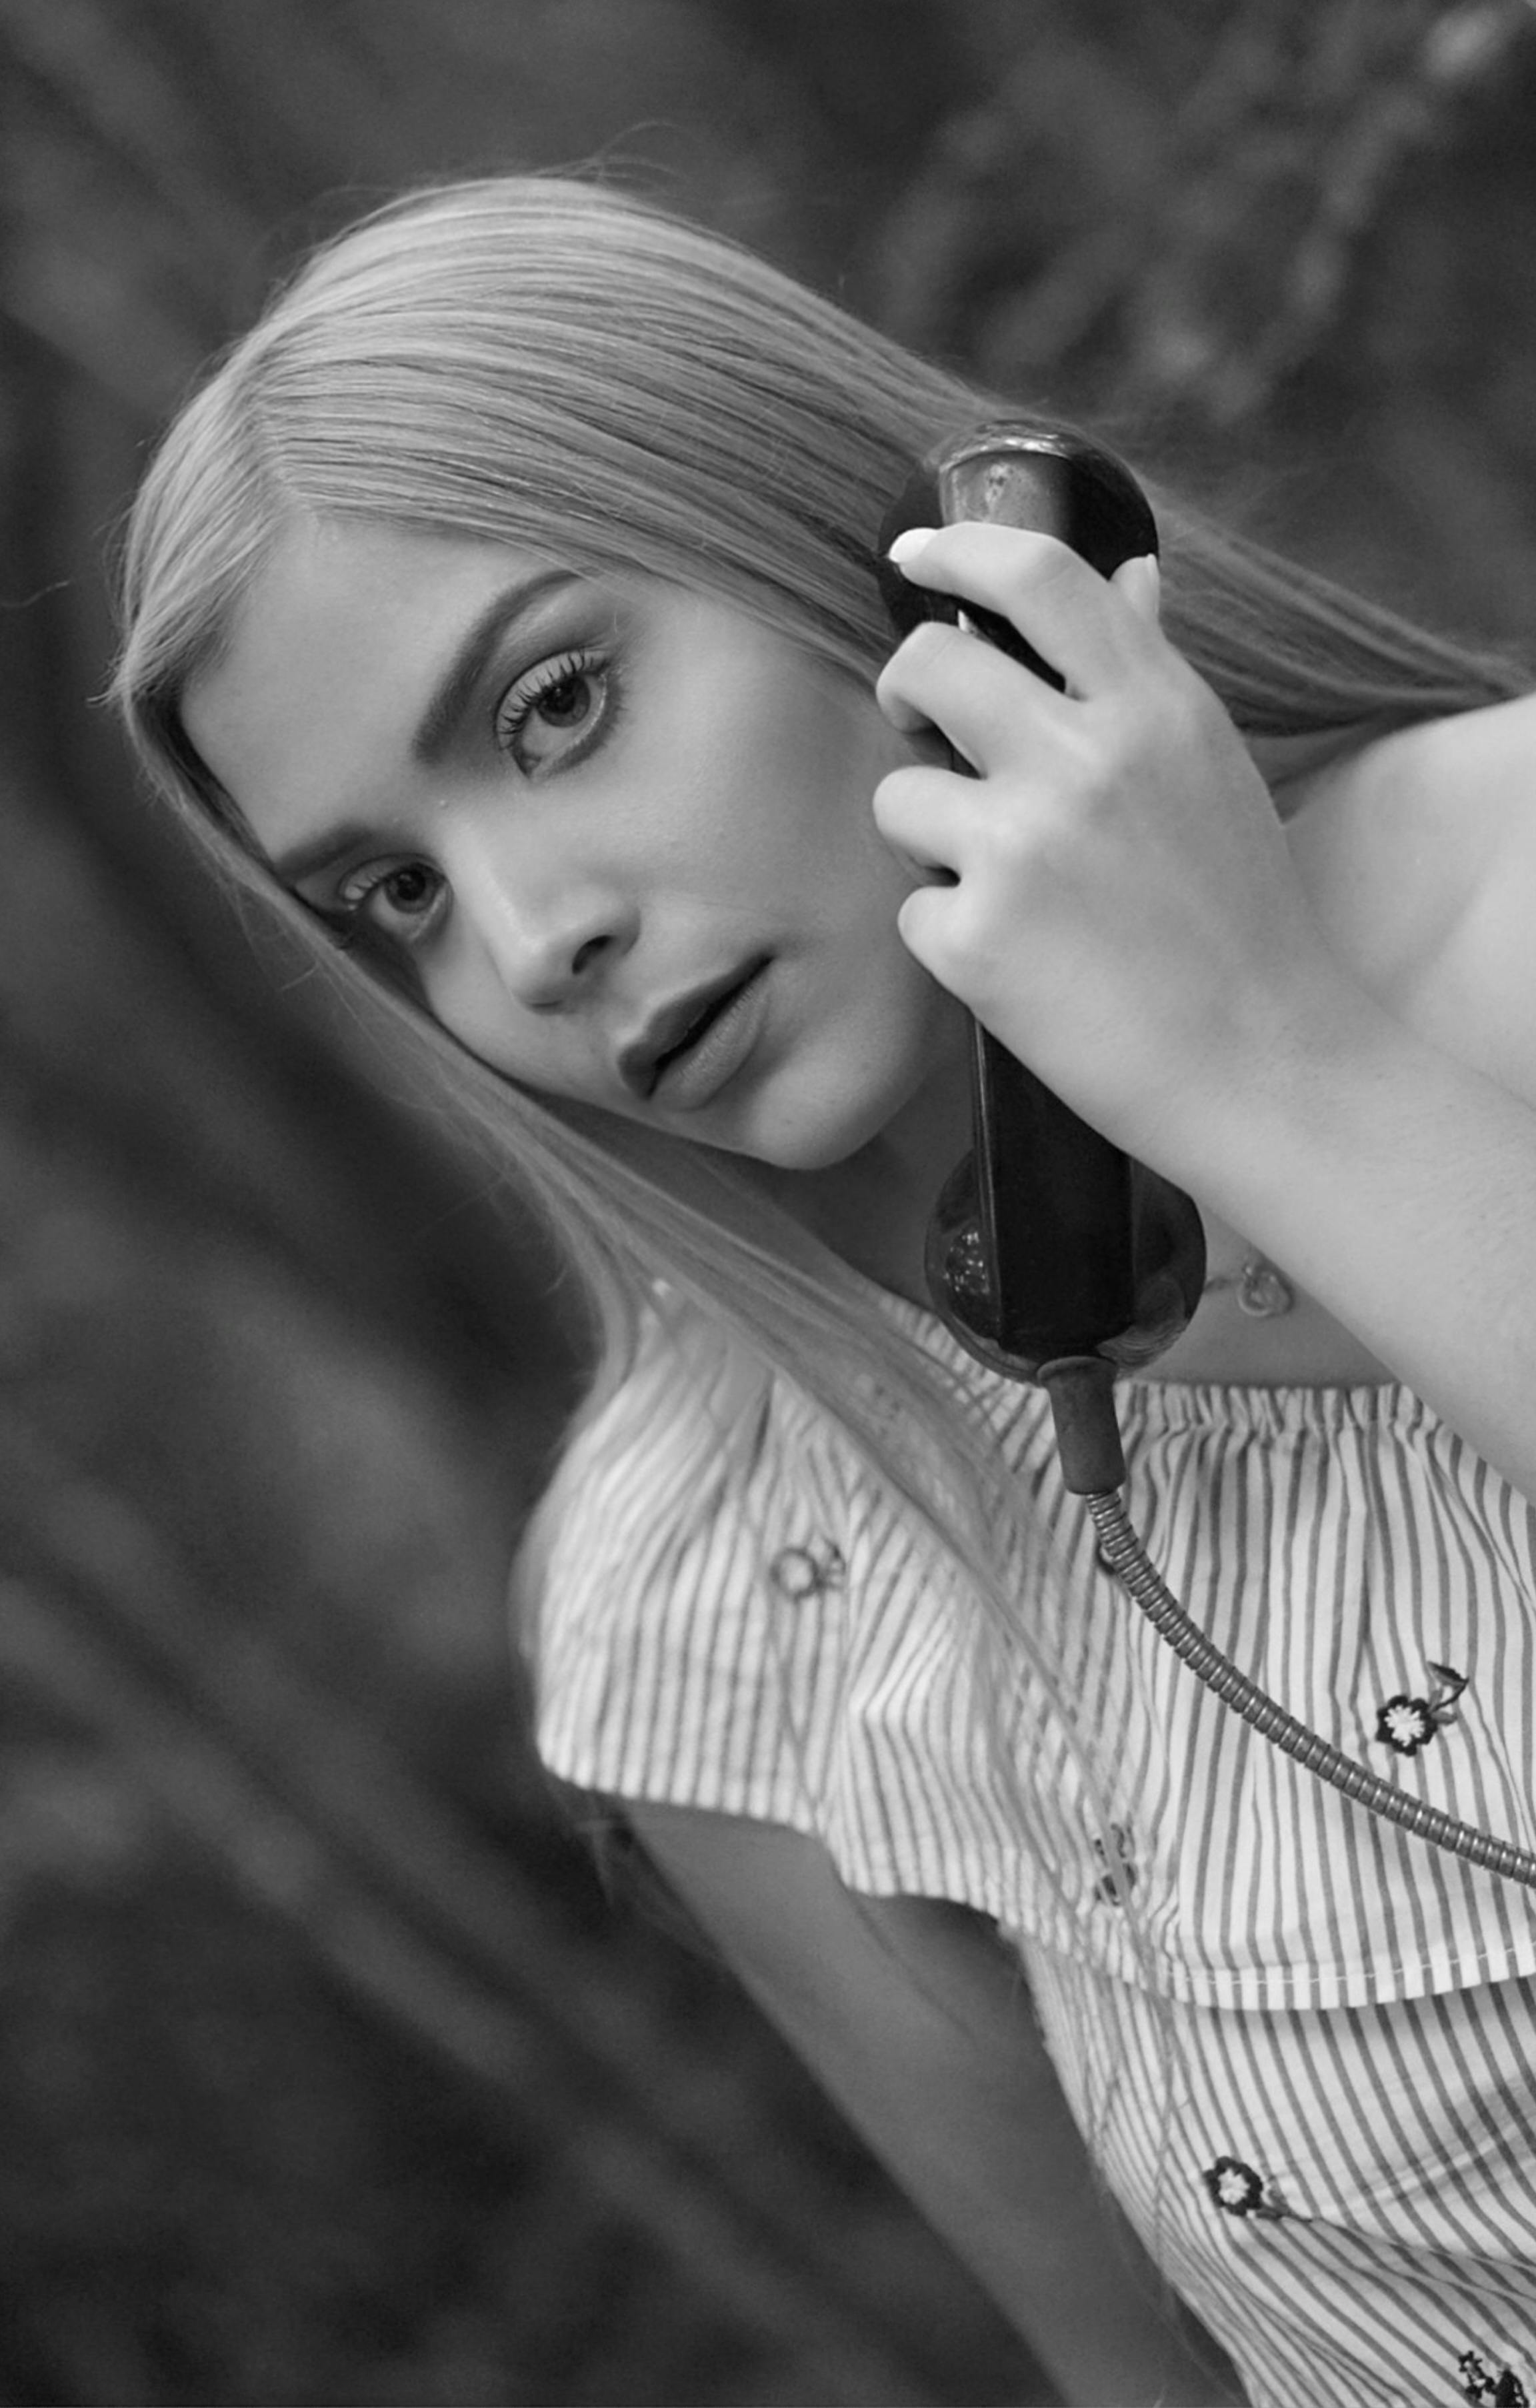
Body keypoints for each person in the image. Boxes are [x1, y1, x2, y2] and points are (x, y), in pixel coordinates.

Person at [110, 173, 1536, 2407]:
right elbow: (1141, 2371)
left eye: (556, 702)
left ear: (884, 566)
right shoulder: (708, 1563)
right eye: (392, 890)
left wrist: (1267, 1070)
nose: (523, 936)